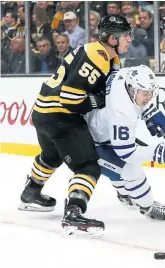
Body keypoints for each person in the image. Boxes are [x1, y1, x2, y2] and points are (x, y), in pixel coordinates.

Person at [18, 14, 132, 236]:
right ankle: (73, 213)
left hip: (43, 112)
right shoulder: (98, 55)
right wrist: (97, 100)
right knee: (88, 166)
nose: (130, 39)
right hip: (60, 115)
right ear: (112, 37)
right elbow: (70, 98)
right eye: (126, 35)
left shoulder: (108, 57)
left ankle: (30, 192)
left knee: (52, 155)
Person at [85, 65, 165, 221]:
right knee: (130, 168)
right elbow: (126, 153)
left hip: (98, 128)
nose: (148, 97)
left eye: (151, 93)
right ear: (133, 90)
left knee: (121, 168)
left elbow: (121, 74)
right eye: (145, 94)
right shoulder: (122, 113)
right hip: (90, 142)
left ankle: (125, 195)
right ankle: (148, 207)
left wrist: (148, 111)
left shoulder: (125, 76)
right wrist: (159, 152)